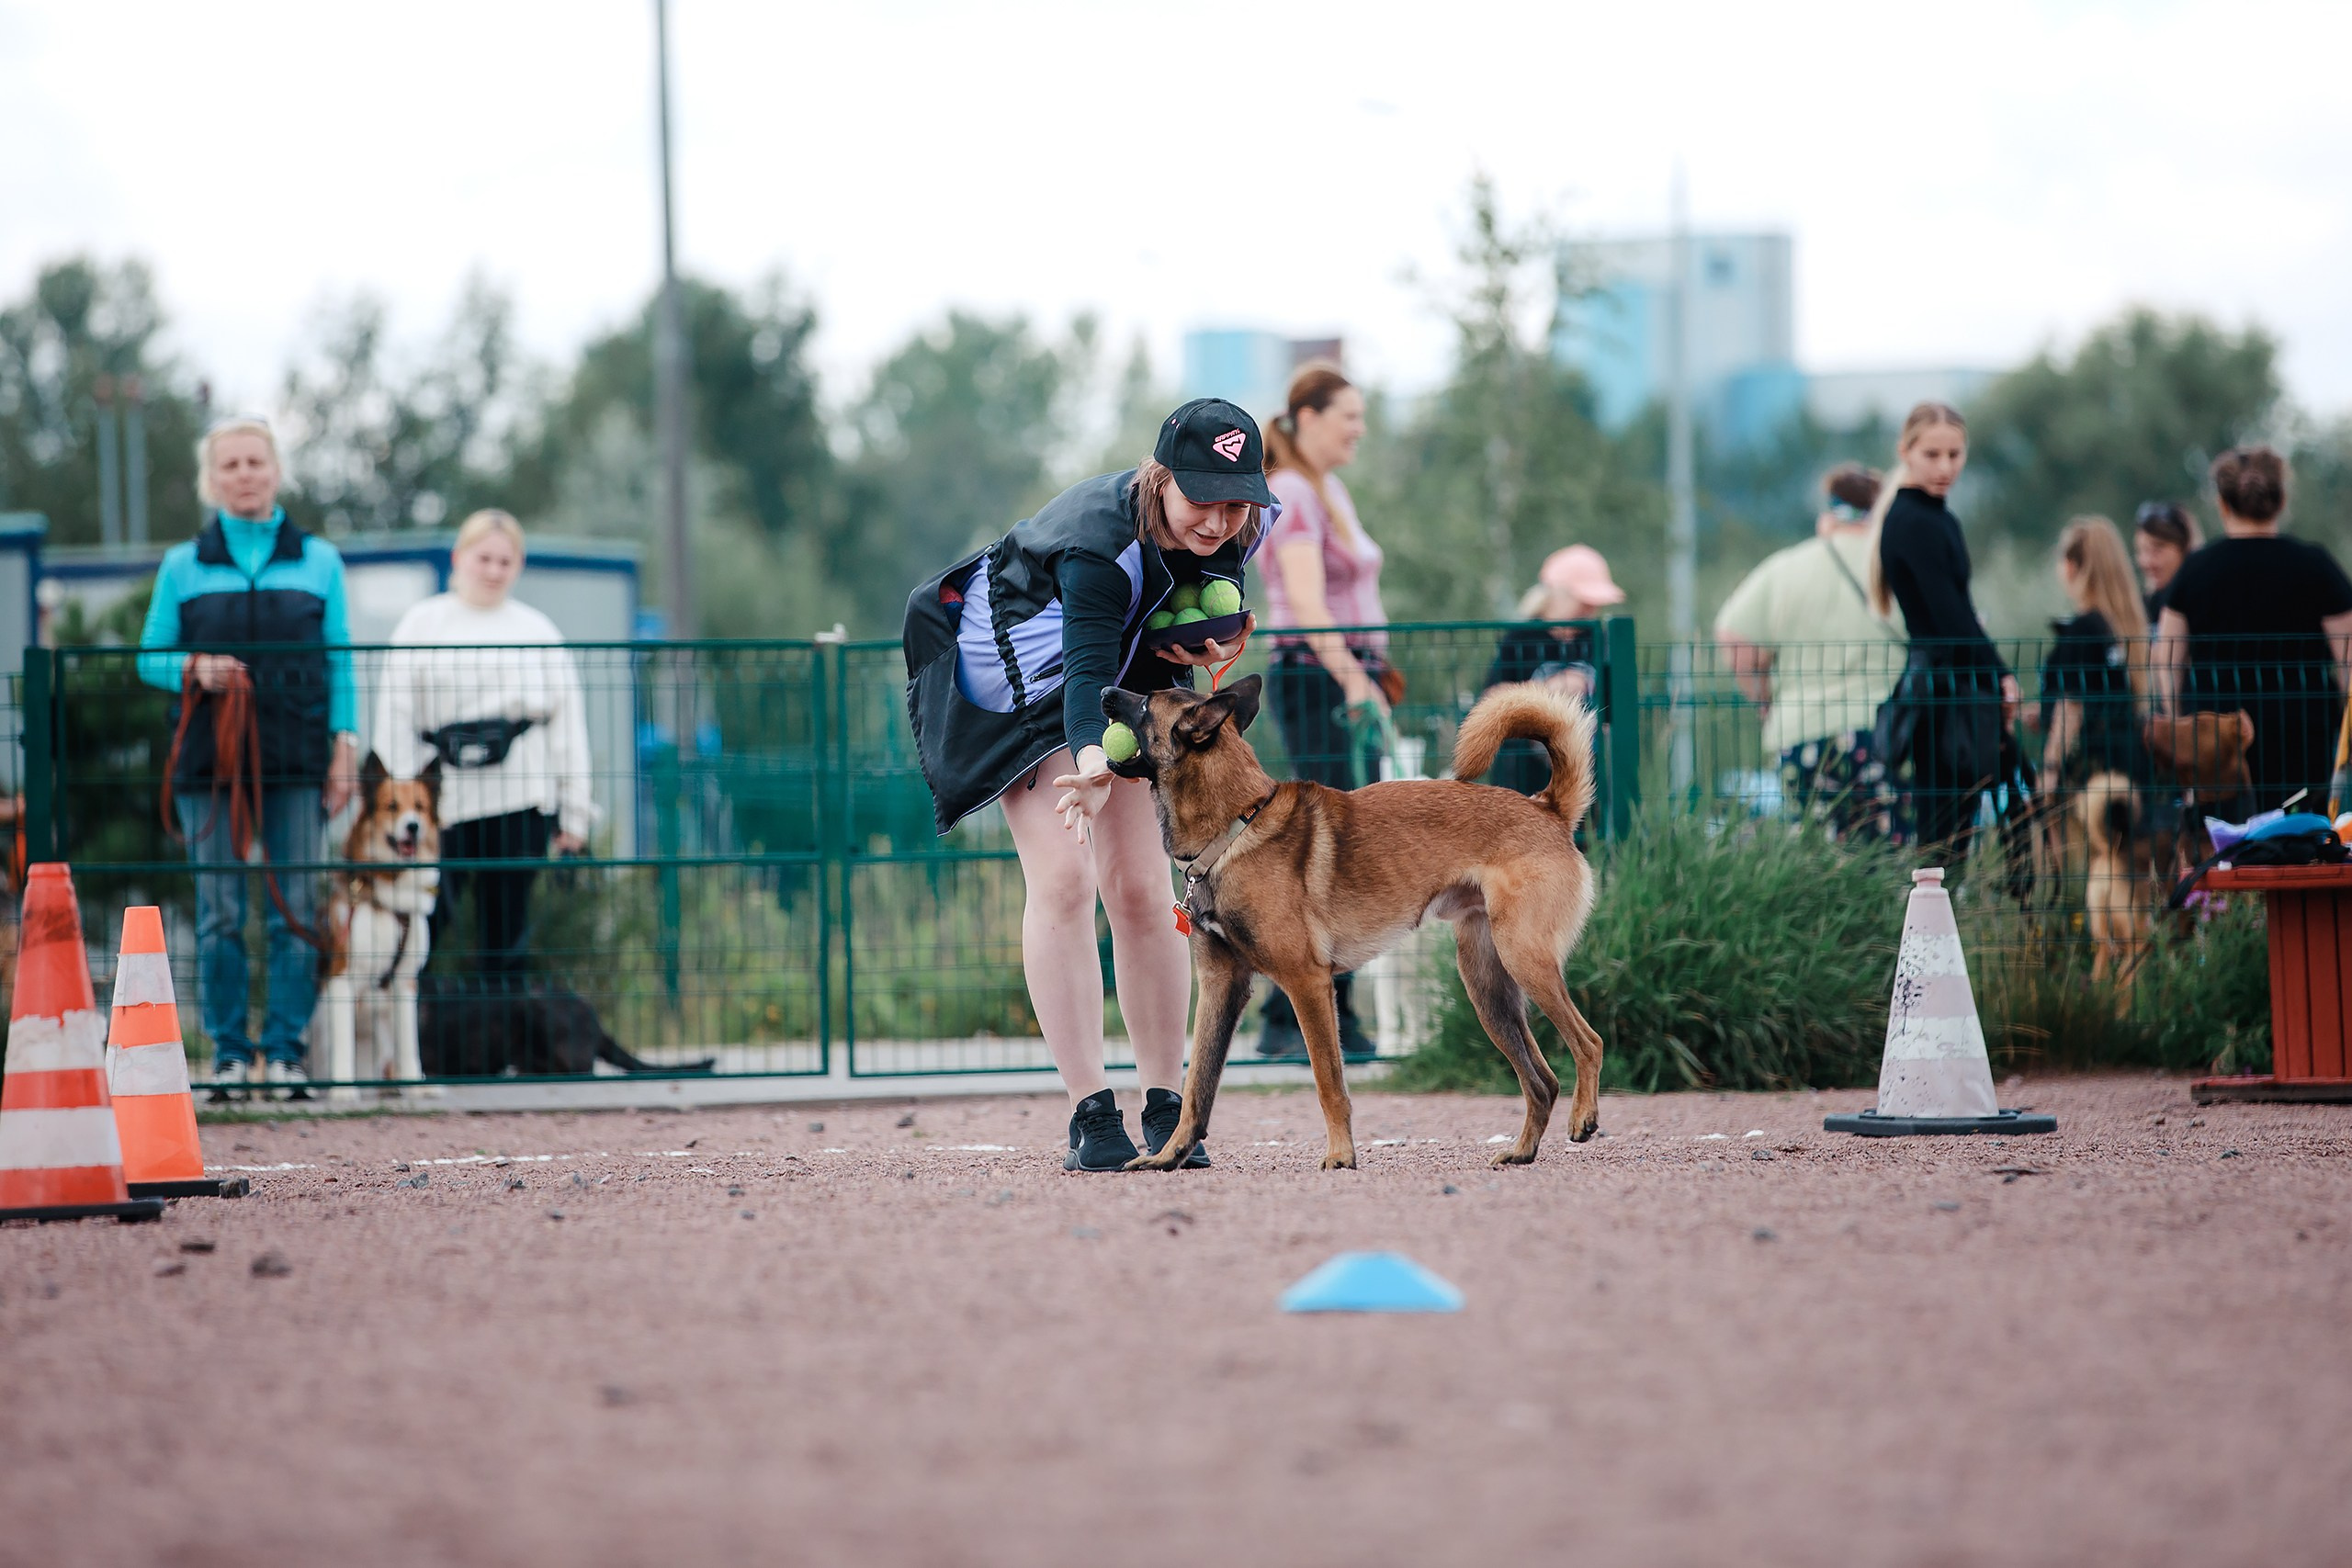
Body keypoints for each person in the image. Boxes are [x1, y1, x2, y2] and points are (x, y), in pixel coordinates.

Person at [903, 399, 1264, 1171]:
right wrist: (1094, 764)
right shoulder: (1100, 544)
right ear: (1162, 478)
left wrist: (1203, 643)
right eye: (1203, 496)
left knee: (1139, 889)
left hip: (1113, 665)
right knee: (1065, 879)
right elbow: (1085, 673)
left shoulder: (1235, 529)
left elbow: (1155, 640)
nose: (1219, 520)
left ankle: (1170, 1106)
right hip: (1017, 674)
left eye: (1237, 502)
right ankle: (1090, 1115)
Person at [138, 417, 357, 1102]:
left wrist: (345, 747)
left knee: (294, 905)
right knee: (220, 912)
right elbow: (148, 657)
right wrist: (194, 666)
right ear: (212, 478)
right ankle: (232, 1054)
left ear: (274, 469)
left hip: (297, 760)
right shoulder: (184, 564)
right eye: (229, 464)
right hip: (211, 763)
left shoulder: (320, 560)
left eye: (254, 461)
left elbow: (341, 662)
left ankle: (286, 1053)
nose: (243, 474)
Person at [377, 510, 597, 1000]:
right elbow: (393, 717)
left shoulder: (538, 631)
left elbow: (568, 730)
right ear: (459, 558)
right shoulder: (422, 623)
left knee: (507, 930)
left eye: (506, 560)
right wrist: (396, 802)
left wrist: (575, 813)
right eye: (485, 558)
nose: (494, 570)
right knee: (429, 924)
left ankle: (503, 1043)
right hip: (439, 806)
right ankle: (424, 1045)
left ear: (518, 565)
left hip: (519, 800)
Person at [1256, 363, 1389, 1062]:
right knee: (1334, 848)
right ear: (1307, 416)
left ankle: (1300, 1014)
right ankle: (1309, 1015)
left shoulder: (1328, 489)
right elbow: (1306, 604)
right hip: (1318, 679)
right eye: (1349, 416)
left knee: (1347, 847)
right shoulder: (1294, 495)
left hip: (1345, 677)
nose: (1358, 429)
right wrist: (1350, 676)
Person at [1713, 466, 1905, 840]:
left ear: (1828, 514)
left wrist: (1765, 699)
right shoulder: (1900, 566)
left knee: (1817, 850)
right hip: (1888, 730)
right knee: (1889, 851)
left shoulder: (1785, 568)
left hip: (1802, 730)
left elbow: (1733, 635)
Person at [2157, 446, 2352, 813]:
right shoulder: (2316, 566)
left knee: (2223, 853)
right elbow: (2349, 660)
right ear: (2281, 500)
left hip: (2217, 746)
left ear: (2222, 504)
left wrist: (2183, 726)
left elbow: (2167, 661)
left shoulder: (2195, 570)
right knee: (2298, 847)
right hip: (2302, 733)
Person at [1865, 402, 2020, 853]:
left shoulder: (1933, 517)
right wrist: (2001, 675)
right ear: (1905, 452)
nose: (1945, 466)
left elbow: (1957, 616)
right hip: (1943, 695)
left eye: (1954, 454)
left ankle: (1941, 921)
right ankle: (1932, 924)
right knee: (1944, 835)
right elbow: (1953, 619)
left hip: (1950, 686)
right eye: (1932, 454)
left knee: (1953, 830)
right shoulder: (1917, 522)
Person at [1483, 546, 1623, 800]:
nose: (1590, 609)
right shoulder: (1519, 638)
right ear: (1557, 595)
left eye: (1594, 602)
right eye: (1584, 600)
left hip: (1583, 787)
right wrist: (1543, 692)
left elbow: (1617, 709)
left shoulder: (1601, 641)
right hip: (1520, 784)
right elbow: (1491, 699)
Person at [2034, 516, 2148, 785]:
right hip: (2127, 768)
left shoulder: (2083, 628)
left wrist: (2049, 774)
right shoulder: (2120, 626)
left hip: (2088, 773)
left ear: (2072, 567)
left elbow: (2072, 706)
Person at [2132, 502, 2199, 622]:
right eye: (2141, 550)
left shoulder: (2200, 602)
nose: (2147, 562)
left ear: (2184, 549)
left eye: (2157, 549)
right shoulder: (2143, 607)